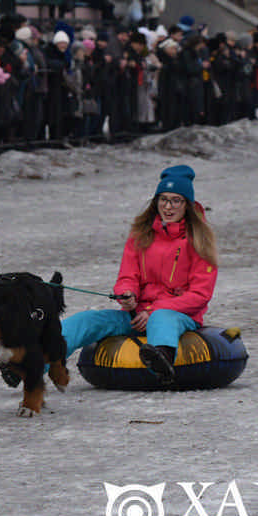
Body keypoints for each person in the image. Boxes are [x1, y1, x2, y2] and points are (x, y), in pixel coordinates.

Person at [60, 165, 218, 384]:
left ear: (187, 205)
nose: (168, 207)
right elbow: (128, 274)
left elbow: (200, 295)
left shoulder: (199, 241)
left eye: (176, 200)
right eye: (163, 199)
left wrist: (153, 311)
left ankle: (161, 361)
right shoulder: (141, 235)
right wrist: (127, 293)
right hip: (136, 315)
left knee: (162, 318)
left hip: (177, 316)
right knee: (87, 320)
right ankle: (37, 361)